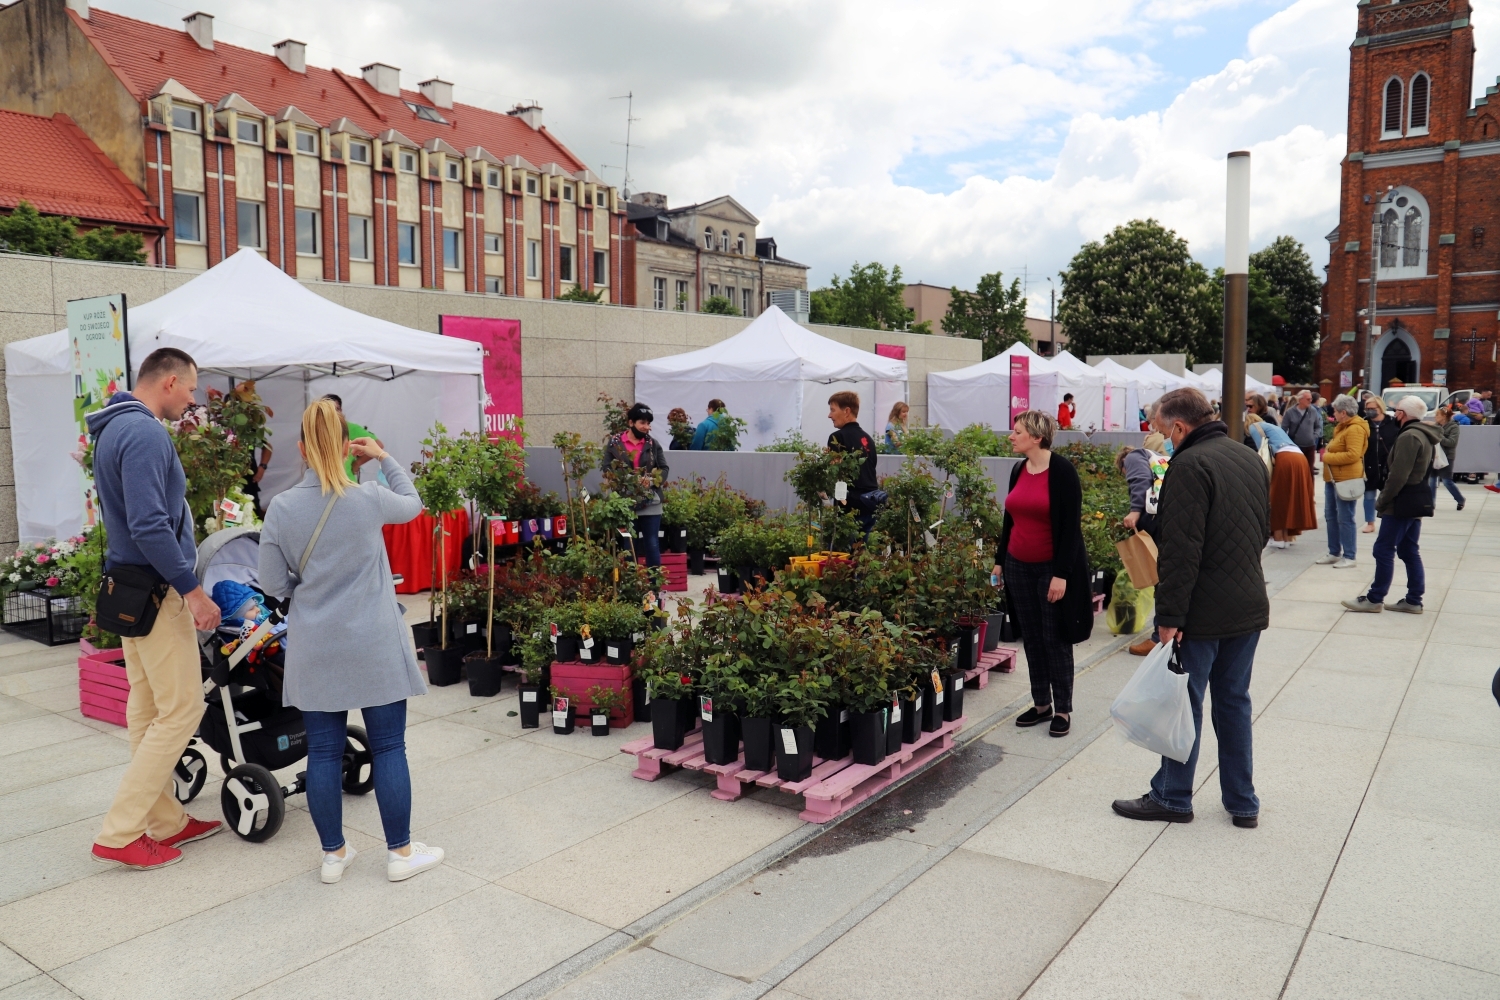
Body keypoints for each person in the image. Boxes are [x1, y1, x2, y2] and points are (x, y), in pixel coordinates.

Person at [259, 399, 444, 884]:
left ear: (300, 449)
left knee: (321, 751)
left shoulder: (280, 508)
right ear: (346, 447)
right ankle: (401, 854)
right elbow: (413, 504)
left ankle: (333, 856)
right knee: (388, 747)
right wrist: (382, 457)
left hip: (316, 645)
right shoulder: (368, 498)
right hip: (374, 641)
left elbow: (274, 585)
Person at [87, 348, 223, 870]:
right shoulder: (143, 433)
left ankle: (165, 819)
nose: (192, 399)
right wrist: (193, 590)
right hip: (157, 592)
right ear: (168, 382)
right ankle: (121, 832)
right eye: (190, 388)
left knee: (147, 707)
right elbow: (148, 524)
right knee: (183, 709)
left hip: (130, 589)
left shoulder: (111, 428)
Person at [1112, 387, 1269, 828]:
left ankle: (1173, 795)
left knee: (1184, 702)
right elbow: (1261, 528)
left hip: (1202, 609)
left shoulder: (1189, 464)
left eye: (1164, 428)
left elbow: (1181, 552)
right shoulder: (1245, 455)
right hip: (1248, 599)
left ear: (1179, 426)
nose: (1163, 436)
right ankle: (1243, 803)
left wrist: (1169, 618)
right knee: (1234, 702)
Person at [993, 410, 1094, 738]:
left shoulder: (1062, 471)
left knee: (1056, 639)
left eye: (1017, 431)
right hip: (1017, 566)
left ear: (1036, 437)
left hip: (1051, 569)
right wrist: (999, 560)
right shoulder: (1018, 469)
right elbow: (1010, 519)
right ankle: (1040, 704)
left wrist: (1061, 574)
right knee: (1032, 638)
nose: (1011, 436)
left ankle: (1062, 707)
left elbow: (1070, 528)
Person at [1342, 395, 1441, 615]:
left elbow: (1398, 475)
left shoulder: (1410, 436)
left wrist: (1383, 500)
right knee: (1408, 550)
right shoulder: (1424, 434)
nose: (1393, 414)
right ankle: (1414, 600)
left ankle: (1375, 598)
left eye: (1396, 411)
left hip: (1402, 501)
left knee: (1383, 549)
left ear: (1402, 414)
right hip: (1415, 499)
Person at [602, 403, 670, 568]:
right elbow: (607, 468)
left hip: (651, 500)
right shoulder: (615, 443)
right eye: (642, 423)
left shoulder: (653, 444)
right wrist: (627, 480)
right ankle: (632, 586)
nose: (647, 427)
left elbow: (664, 468)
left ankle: (654, 588)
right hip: (625, 501)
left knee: (652, 543)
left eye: (648, 423)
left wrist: (652, 481)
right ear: (631, 423)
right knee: (628, 544)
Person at [1120, 433, 1169, 656]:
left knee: (1161, 579)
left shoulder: (1133, 457)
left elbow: (1139, 480)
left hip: (1157, 521)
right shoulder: (1157, 458)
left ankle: (1159, 638)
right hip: (1169, 520)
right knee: (1167, 577)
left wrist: (1134, 511)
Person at [1246, 414, 1316, 547]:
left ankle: (1278, 538)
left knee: (1277, 498)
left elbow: (1262, 449)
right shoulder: (1272, 427)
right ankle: (1288, 537)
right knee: (1291, 498)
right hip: (1299, 457)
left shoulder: (1253, 427)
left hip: (1284, 458)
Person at [1314, 396, 1368, 568]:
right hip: (1333, 478)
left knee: (1345, 517)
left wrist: (1328, 456)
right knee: (1330, 516)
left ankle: (1350, 555)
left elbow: (1354, 454)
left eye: (1335, 411)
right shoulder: (1342, 427)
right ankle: (1334, 551)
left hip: (1347, 479)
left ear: (1343, 413)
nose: (1333, 414)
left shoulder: (1355, 429)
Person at [826, 391, 880, 532]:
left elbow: (835, 473)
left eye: (832, 410)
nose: (829, 415)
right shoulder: (868, 439)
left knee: (844, 552)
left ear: (847, 411)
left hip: (851, 507)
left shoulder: (837, 438)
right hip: (871, 503)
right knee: (862, 552)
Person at [321, 394, 382, 481]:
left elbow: (378, 445)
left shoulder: (350, 428)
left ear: (341, 411)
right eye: (330, 410)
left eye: (337, 409)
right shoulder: (318, 430)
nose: (334, 413)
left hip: (346, 483)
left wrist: (357, 463)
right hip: (322, 484)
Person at [1362, 396, 1398, 533]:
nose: (1370, 411)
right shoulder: (1364, 423)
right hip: (1370, 463)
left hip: (1387, 464)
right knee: (1369, 496)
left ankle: (1388, 522)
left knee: (1388, 495)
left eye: (1373, 409)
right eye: (1368, 409)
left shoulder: (1392, 422)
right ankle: (1370, 522)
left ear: (1380, 408)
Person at [1430, 405, 1465, 510]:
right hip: (1434, 455)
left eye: (1437, 415)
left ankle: (1460, 499)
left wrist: (1438, 436)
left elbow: (1452, 442)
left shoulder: (1454, 427)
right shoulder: (1436, 426)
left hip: (1446, 456)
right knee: (1431, 480)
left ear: (1444, 416)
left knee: (1446, 481)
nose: (1435, 417)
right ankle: (1431, 503)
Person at [1282, 389, 1322, 478]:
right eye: (1308, 399)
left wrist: (1314, 436)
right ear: (1300, 400)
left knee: (1309, 471)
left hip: (1310, 446)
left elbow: (1318, 426)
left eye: (1311, 399)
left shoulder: (1313, 411)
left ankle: (1310, 491)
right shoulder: (1290, 412)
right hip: (1296, 447)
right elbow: (1283, 429)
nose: (1310, 401)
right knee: (1296, 471)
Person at [243, 440, 275, 517]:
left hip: (249, 483)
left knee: (253, 516)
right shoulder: (218, 429)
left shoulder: (249, 430)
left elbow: (268, 447)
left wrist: (262, 467)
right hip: (224, 483)